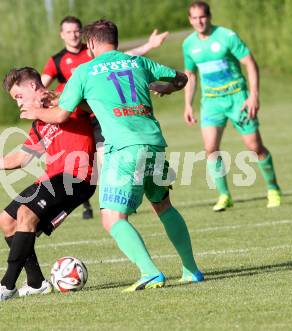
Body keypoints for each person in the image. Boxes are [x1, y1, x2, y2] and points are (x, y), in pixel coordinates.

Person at [21, 19, 204, 292]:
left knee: (112, 218)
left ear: (91, 43)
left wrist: (35, 112)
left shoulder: (84, 71)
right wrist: (166, 88)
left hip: (125, 149)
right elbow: (182, 78)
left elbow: (61, 115)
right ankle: (192, 271)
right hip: (154, 143)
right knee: (163, 205)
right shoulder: (138, 62)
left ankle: (150, 272)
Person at [0, 67, 96, 303]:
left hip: (77, 177)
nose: (18, 103)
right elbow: (19, 159)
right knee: (6, 219)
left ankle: (7, 285)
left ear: (33, 86)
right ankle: (36, 283)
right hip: (53, 178)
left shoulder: (66, 94)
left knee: (26, 213)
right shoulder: (39, 124)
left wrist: (53, 99)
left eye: (19, 96)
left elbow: (92, 106)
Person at [41, 16, 170, 219]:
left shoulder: (93, 51)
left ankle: (117, 203)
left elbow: (123, 59)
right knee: (77, 162)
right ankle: (85, 205)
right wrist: (40, 97)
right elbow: (42, 84)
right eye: (69, 31)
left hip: (100, 116)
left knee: (105, 161)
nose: (73, 34)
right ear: (62, 35)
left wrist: (149, 45)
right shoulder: (57, 60)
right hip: (75, 118)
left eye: (76, 30)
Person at [182, 1, 281, 211]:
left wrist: (253, 95)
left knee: (254, 147)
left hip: (238, 99)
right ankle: (224, 195)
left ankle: (273, 188)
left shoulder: (227, 36)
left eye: (202, 17)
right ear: (190, 20)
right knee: (210, 149)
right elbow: (190, 75)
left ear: (209, 16)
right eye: (194, 18)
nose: (199, 21)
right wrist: (188, 105)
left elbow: (250, 63)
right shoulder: (189, 44)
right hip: (211, 103)